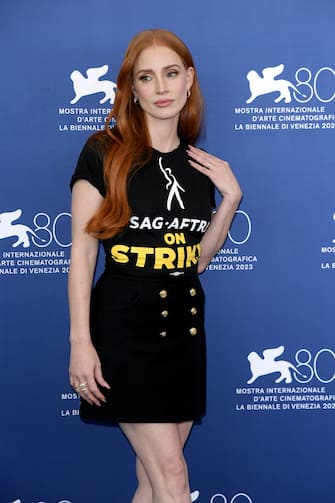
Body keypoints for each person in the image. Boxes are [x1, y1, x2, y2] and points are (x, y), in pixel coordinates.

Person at [68, 29, 242, 503]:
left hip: (184, 333)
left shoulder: (199, 167)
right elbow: (82, 256)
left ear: (189, 80)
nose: (161, 88)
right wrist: (80, 343)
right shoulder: (103, 152)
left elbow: (196, 261)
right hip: (124, 332)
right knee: (173, 476)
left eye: (171, 74)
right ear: (133, 89)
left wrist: (230, 200)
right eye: (147, 77)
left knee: (155, 480)